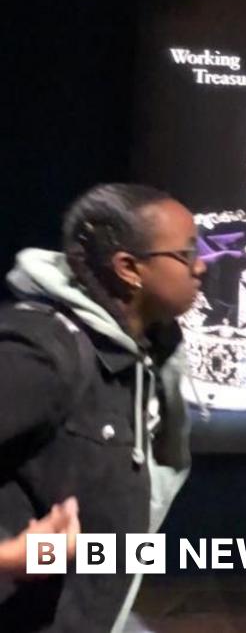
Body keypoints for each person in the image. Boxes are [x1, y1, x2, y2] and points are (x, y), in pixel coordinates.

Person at [0, 184, 203, 632]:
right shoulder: (40, 354)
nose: (201, 267)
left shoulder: (136, 359)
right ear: (129, 268)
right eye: (187, 255)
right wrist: (9, 556)